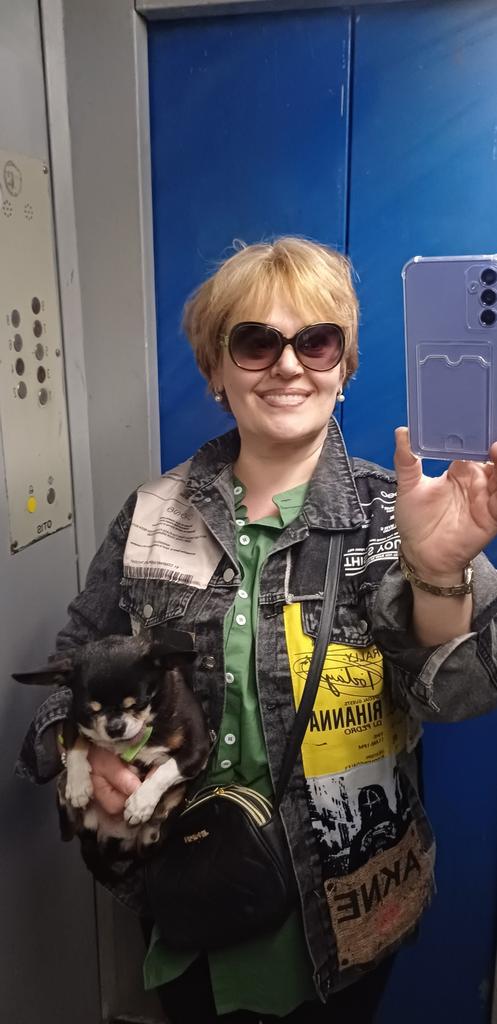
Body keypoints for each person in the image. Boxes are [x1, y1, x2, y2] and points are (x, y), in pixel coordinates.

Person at [17, 237, 497, 1023]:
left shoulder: (398, 515)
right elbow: (72, 663)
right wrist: (81, 749)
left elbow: (451, 697)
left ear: (343, 367)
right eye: (255, 342)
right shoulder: (151, 514)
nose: (287, 366)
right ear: (216, 369)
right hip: (184, 889)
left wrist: (437, 571)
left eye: (316, 342)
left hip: (347, 906)